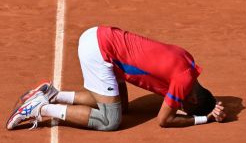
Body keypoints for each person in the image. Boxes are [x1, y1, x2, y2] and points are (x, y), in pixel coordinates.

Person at [6, 26, 226, 131]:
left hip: (103, 38)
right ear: (194, 99)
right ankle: (41, 108)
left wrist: (213, 105)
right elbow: (164, 120)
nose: (179, 107)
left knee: (120, 108)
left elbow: (192, 96)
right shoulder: (182, 83)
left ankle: (53, 94)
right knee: (110, 120)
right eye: (184, 107)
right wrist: (204, 119)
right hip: (102, 53)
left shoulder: (188, 62)